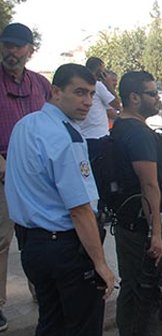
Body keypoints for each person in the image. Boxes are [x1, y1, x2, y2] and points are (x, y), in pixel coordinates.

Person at [5, 63, 116, 335]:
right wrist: (101, 264)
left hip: (32, 246)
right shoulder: (68, 137)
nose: (87, 102)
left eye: (91, 94)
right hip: (64, 249)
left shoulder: (25, 125)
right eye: (79, 93)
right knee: (83, 327)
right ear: (55, 92)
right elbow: (80, 210)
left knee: (50, 323)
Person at [111, 71, 162, 335]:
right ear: (134, 98)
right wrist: (156, 233)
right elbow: (149, 185)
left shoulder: (122, 126)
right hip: (142, 229)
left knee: (132, 287)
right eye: (152, 93)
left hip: (128, 224)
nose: (157, 98)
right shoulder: (138, 134)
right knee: (154, 293)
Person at [0, 22, 51, 331]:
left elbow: (53, 122)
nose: (11, 51)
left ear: (30, 50)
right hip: (3, 172)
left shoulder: (40, 84)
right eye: (7, 45)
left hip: (36, 174)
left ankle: (41, 291)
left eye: (18, 46)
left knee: (37, 234)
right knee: (1, 240)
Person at [79, 56, 121, 160]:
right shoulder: (98, 85)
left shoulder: (80, 84)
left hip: (83, 136)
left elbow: (109, 112)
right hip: (99, 137)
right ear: (99, 70)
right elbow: (116, 104)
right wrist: (108, 85)